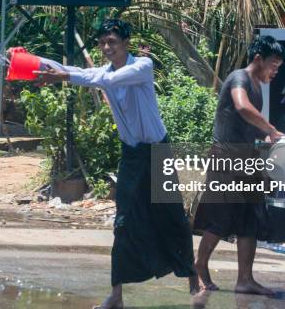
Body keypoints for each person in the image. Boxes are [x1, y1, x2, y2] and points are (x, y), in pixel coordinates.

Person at [31, 19, 198, 309]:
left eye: (113, 42)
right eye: (103, 43)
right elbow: (78, 71)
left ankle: (192, 275)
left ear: (126, 44)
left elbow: (103, 80)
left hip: (158, 151)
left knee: (172, 213)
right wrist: (31, 59)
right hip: (132, 154)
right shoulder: (104, 71)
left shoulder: (142, 66)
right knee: (123, 222)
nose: (107, 48)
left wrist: (63, 78)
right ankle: (116, 296)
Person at [192, 34, 285, 295]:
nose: (275, 71)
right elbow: (242, 107)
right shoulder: (239, 78)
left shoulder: (258, 85)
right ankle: (198, 266)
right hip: (226, 160)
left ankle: (245, 279)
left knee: (249, 222)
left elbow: (247, 124)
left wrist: (267, 137)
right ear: (258, 59)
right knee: (220, 220)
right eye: (273, 65)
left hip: (247, 162)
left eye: (278, 67)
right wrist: (270, 128)